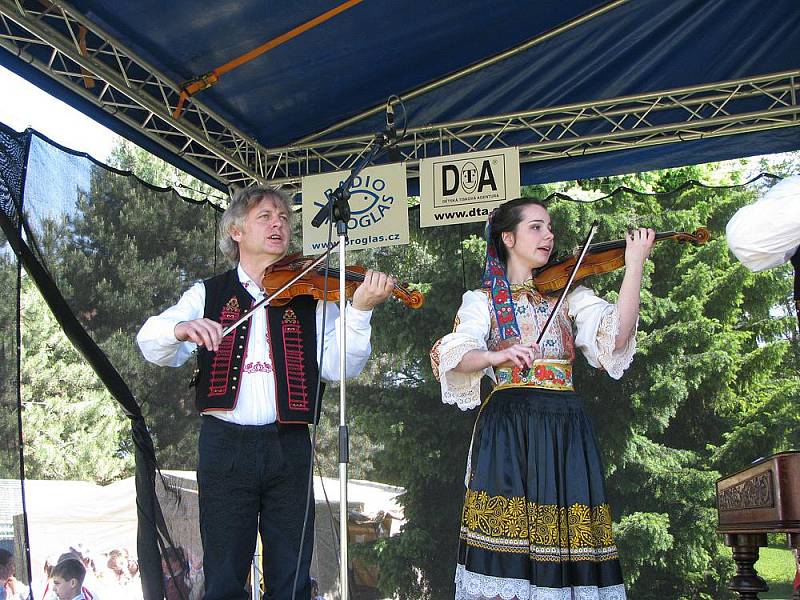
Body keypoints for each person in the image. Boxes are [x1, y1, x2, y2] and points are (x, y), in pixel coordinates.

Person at [137, 186, 394, 600]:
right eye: (265, 216)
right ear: (235, 231)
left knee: (291, 576)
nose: (279, 224)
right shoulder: (207, 293)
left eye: (284, 218)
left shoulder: (311, 294)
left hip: (288, 443)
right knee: (223, 576)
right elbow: (150, 342)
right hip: (225, 446)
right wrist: (179, 329)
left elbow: (339, 367)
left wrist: (359, 311)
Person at [430, 197, 654, 599]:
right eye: (536, 227)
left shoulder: (568, 295)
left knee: (568, 543)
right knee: (508, 543)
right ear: (508, 237)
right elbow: (455, 354)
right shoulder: (482, 300)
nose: (548, 235)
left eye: (549, 228)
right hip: (511, 428)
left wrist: (634, 264)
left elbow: (616, 338)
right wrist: (496, 354)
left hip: (564, 426)